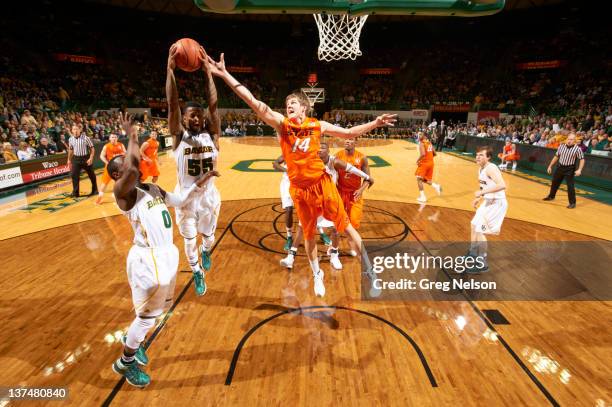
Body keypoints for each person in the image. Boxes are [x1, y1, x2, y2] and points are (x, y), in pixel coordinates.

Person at [207, 52, 396, 297]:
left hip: (322, 183)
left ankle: (370, 272)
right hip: (300, 190)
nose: (288, 107)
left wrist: (375, 123)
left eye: (292, 104)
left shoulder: (318, 125)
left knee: (346, 227)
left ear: (304, 107)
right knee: (307, 235)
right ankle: (318, 274)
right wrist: (224, 74)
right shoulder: (282, 125)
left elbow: (349, 133)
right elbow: (254, 102)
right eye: (286, 105)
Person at [109, 112, 219, 388]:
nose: (132, 166)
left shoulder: (151, 188)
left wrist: (202, 181)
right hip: (147, 258)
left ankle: (133, 340)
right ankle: (125, 362)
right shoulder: (124, 193)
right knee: (148, 317)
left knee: (149, 316)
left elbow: (180, 199)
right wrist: (132, 137)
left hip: (167, 255)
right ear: (116, 176)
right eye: (124, 166)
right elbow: (133, 169)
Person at [166, 43, 221, 296]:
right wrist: (170, 70)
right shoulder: (179, 136)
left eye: (199, 115)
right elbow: (172, 103)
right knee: (189, 241)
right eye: (191, 115)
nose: (196, 118)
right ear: (184, 119)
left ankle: (206, 250)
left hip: (209, 197)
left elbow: (213, 105)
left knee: (207, 238)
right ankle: (197, 271)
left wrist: (208, 73)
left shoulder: (213, 135)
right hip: (186, 197)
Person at [280, 141, 372, 271]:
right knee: (302, 228)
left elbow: (351, 169)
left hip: (330, 200)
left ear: (328, 151)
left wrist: (367, 177)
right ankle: (291, 257)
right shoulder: (312, 161)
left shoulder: (334, 161)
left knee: (336, 229)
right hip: (314, 199)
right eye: (318, 148)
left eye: (323, 148)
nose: (320, 150)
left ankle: (334, 254)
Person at [464, 146, 507, 274]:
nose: (478, 157)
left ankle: (482, 262)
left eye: (481, 155)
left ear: (488, 157)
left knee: (480, 230)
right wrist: (480, 197)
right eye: (477, 154)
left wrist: (481, 192)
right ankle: (472, 253)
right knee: (473, 225)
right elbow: (485, 185)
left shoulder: (491, 168)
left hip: (496, 204)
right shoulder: (481, 169)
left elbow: (502, 185)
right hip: (488, 202)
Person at [335, 138, 374, 256]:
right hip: (340, 192)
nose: (347, 141)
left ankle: (351, 245)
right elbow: (331, 173)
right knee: (337, 222)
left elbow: (368, 178)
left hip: (355, 194)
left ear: (355, 142)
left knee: (353, 221)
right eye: (346, 140)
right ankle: (334, 249)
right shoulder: (337, 156)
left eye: (350, 140)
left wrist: (361, 190)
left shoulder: (362, 158)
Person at [543, 133, 585, 209]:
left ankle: (572, 203)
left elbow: (582, 159)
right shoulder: (561, 146)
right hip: (560, 167)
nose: (569, 141)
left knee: (570, 186)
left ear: (574, 141)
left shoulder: (577, 149)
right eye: (568, 139)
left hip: (569, 169)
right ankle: (551, 196)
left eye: (571, 139)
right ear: (566, 139)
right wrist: (550, 166)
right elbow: (556, 156)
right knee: (554, 182)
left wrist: (579, 169)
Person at [67, 123, 98, 198]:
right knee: (74, 175)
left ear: (80, 130)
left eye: (77, 129)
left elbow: (92, 148)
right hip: (76, 159)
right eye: (74, 129)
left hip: (86, 158)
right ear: (72, 130)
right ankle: (75, 193)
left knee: (92, 175)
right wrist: (69, 160)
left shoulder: (86, 138)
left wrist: (91, 158)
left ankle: (95, 190)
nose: (75, 131)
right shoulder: (70, 139)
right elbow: (71, 150)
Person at [272, 155, 295, 251]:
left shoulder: (307, 152)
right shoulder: (288, 152)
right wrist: (287, 170)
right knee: (288, 210)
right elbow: (275, 164)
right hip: (288, 183)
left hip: (302, 183)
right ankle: (289, 236)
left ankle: (321, 233)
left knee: (310, 211)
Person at [96, 133, 126, 205]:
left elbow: (126, 153)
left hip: (119, 167)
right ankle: (99, 198)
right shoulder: (106, 146)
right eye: (112, 137)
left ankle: (116, 196)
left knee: (118, 183)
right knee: (104, 183)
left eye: (115, 137)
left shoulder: (121, 145)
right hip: (110, 167)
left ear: (117, 138)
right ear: (109, 138)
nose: (114, 138)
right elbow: (101, 156)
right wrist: (107, 162)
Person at [415, 132, 442, 203]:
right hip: (431, 163)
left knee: (418, 179)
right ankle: (436, 186)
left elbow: (423, 154)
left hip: (425, 164)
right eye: (419, 134)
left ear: (424, 136)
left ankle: (423, 197)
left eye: (421, 134)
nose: (419, 135)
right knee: (423, 179)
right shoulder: (429, 143)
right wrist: (429, 158)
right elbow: (435, 153)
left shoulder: (422, 143)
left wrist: (417, 161)